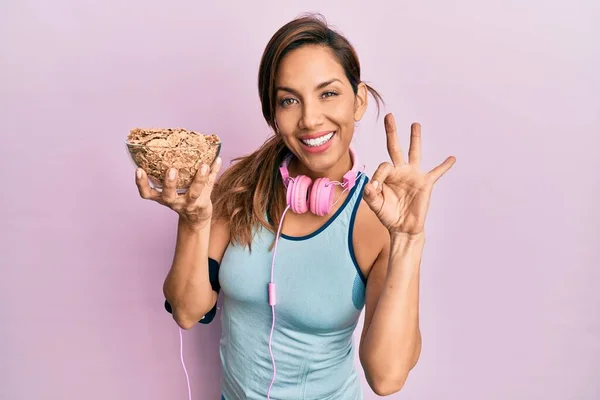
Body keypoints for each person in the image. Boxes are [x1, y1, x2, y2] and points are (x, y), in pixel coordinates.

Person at [135, 13, 455, 400]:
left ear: (359, 101)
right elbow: (187, 311)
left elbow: (386, 379)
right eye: (289, 100)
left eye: (328, 93)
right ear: (274, 114)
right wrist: (194, 221)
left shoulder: (378, 218)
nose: (309, 118)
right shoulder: (237, 190)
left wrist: (407, 241)